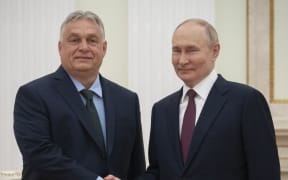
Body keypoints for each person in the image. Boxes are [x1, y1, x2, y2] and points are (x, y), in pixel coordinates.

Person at [139, 19, 280, 180]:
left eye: (191, 50)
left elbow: (265, 172)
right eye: (176, 50)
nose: (182, 60)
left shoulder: (246, 101)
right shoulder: (162, 110)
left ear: (215, 51)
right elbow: (158, 171)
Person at [14, 10, 145, 180]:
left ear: (103, 48)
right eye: (75, 40)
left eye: (92, 40)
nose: (84, 47)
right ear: (60, 48)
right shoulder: (33, 95)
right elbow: (40, 155)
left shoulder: (127, 100)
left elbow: (137, 165)